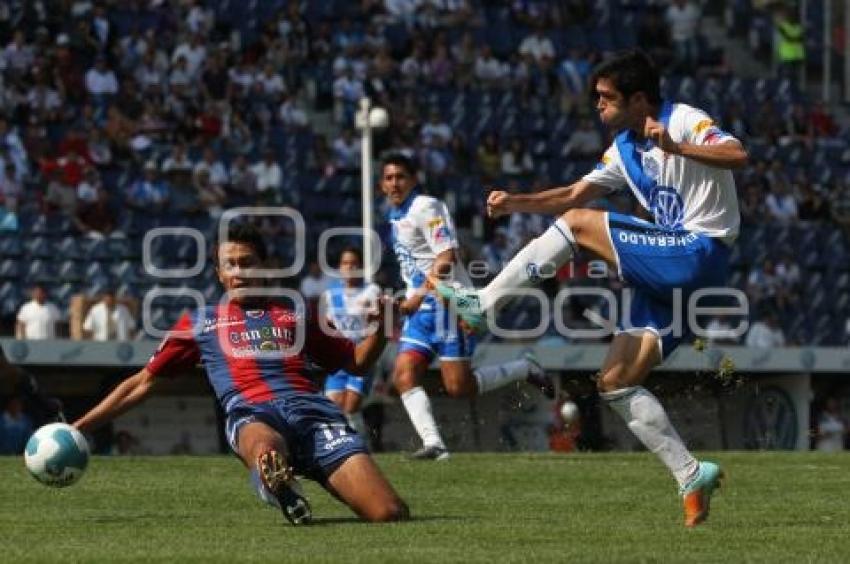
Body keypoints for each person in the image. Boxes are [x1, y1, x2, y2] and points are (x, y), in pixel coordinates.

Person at [436, 50, 748, 526]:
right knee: (616, 380)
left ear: (639, 99)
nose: (597, 107)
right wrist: (517, 202)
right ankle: (691, 475)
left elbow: (737, 154)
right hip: (677, 272)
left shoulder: (683, 120)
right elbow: (573, 195)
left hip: (698, 250)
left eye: (606, 98)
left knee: (580, 226)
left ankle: (482, 302)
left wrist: (678, 148)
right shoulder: (623, 147)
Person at [73, 224, 408, 526]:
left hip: (314, 415)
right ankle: (273, 476)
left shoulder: (299, 312)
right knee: (263, 444)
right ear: (219, 273)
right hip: (253, 413)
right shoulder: (200, 323)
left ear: (265, 266)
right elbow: (141, 383)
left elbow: (356, 364)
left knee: (389, 513)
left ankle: (280, 480)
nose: (239, 272)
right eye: (230, 265)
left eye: (247, 262)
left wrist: (381, 329)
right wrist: (78, 428)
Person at [381, 154, 552, 461]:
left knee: (459, 387)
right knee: (403, 375)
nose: (394, 183)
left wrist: (417, 296)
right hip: (421, 313)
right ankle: (435, 445)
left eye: (400, 177)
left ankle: (525, 368)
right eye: (389, 177)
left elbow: (446, 257)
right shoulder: (393, 214)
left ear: (413, 179)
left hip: (450, 305)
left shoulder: (426, 207)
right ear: (382, 183)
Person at [321, 247, 381, 438]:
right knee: (334, 408)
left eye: (354, 263)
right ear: (340, 267)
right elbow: (327, 325)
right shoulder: (330, 295)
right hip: (339, 358)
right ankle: (355, 447)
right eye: (346, 263)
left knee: (351, 405)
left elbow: (380, 320)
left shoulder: (371, 290)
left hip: (362, 356)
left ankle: (360, 448)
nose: (350, 267)